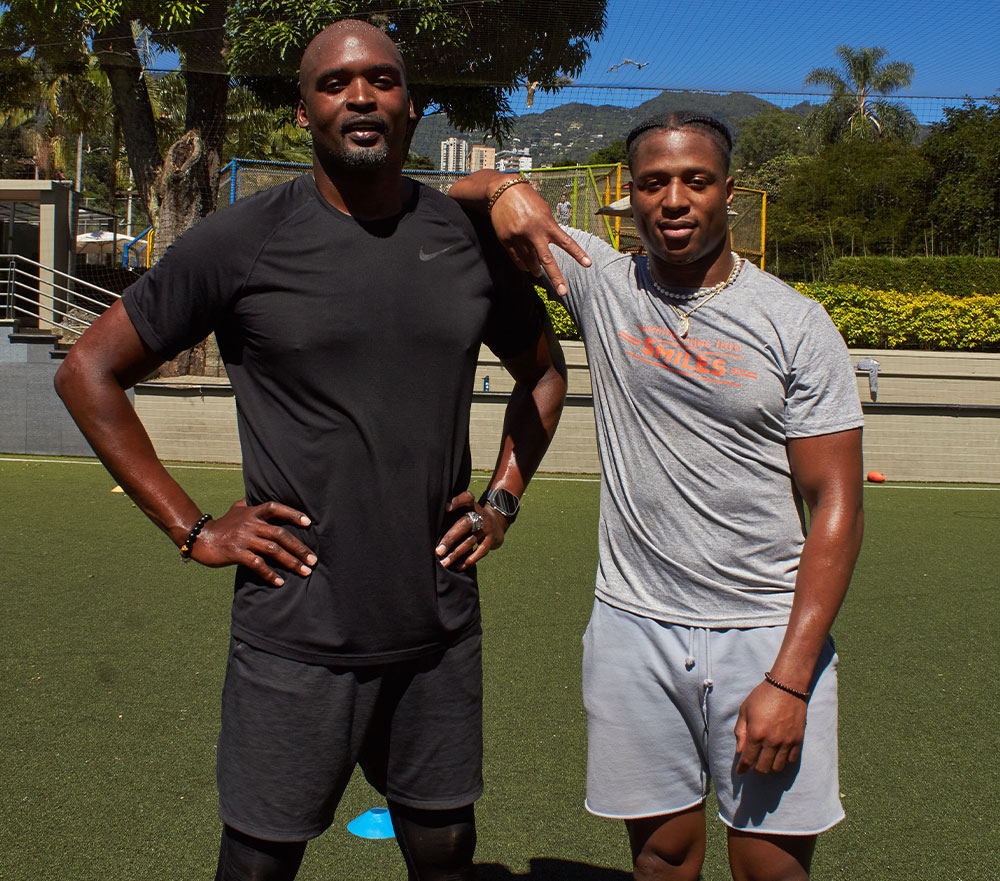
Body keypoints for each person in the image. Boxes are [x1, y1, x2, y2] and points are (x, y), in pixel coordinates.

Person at [55, 20, 567, 881]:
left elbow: (543, 373)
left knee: (446, 850)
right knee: (258, 861)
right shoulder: (240, 240)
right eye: (334, 84)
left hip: (436, 623)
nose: (359, 96)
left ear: (411, 106)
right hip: (295, 625)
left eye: (381, 80)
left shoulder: (464, 239)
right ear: (303, 112)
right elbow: (87, 372)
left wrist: (502, 497)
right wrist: (193, 528)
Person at [450, 111, 864, 881]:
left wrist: (790, 675)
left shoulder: (796, 324)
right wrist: (509, 186)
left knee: (770, 866)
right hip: (634, 628)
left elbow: (837, 506)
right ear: (628, 197)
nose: (674, 199)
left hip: (764, 632)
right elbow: (456, 195)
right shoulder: (600, 281)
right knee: (662, 858)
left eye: (695, 180)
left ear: (728, 193)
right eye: (653, 182)